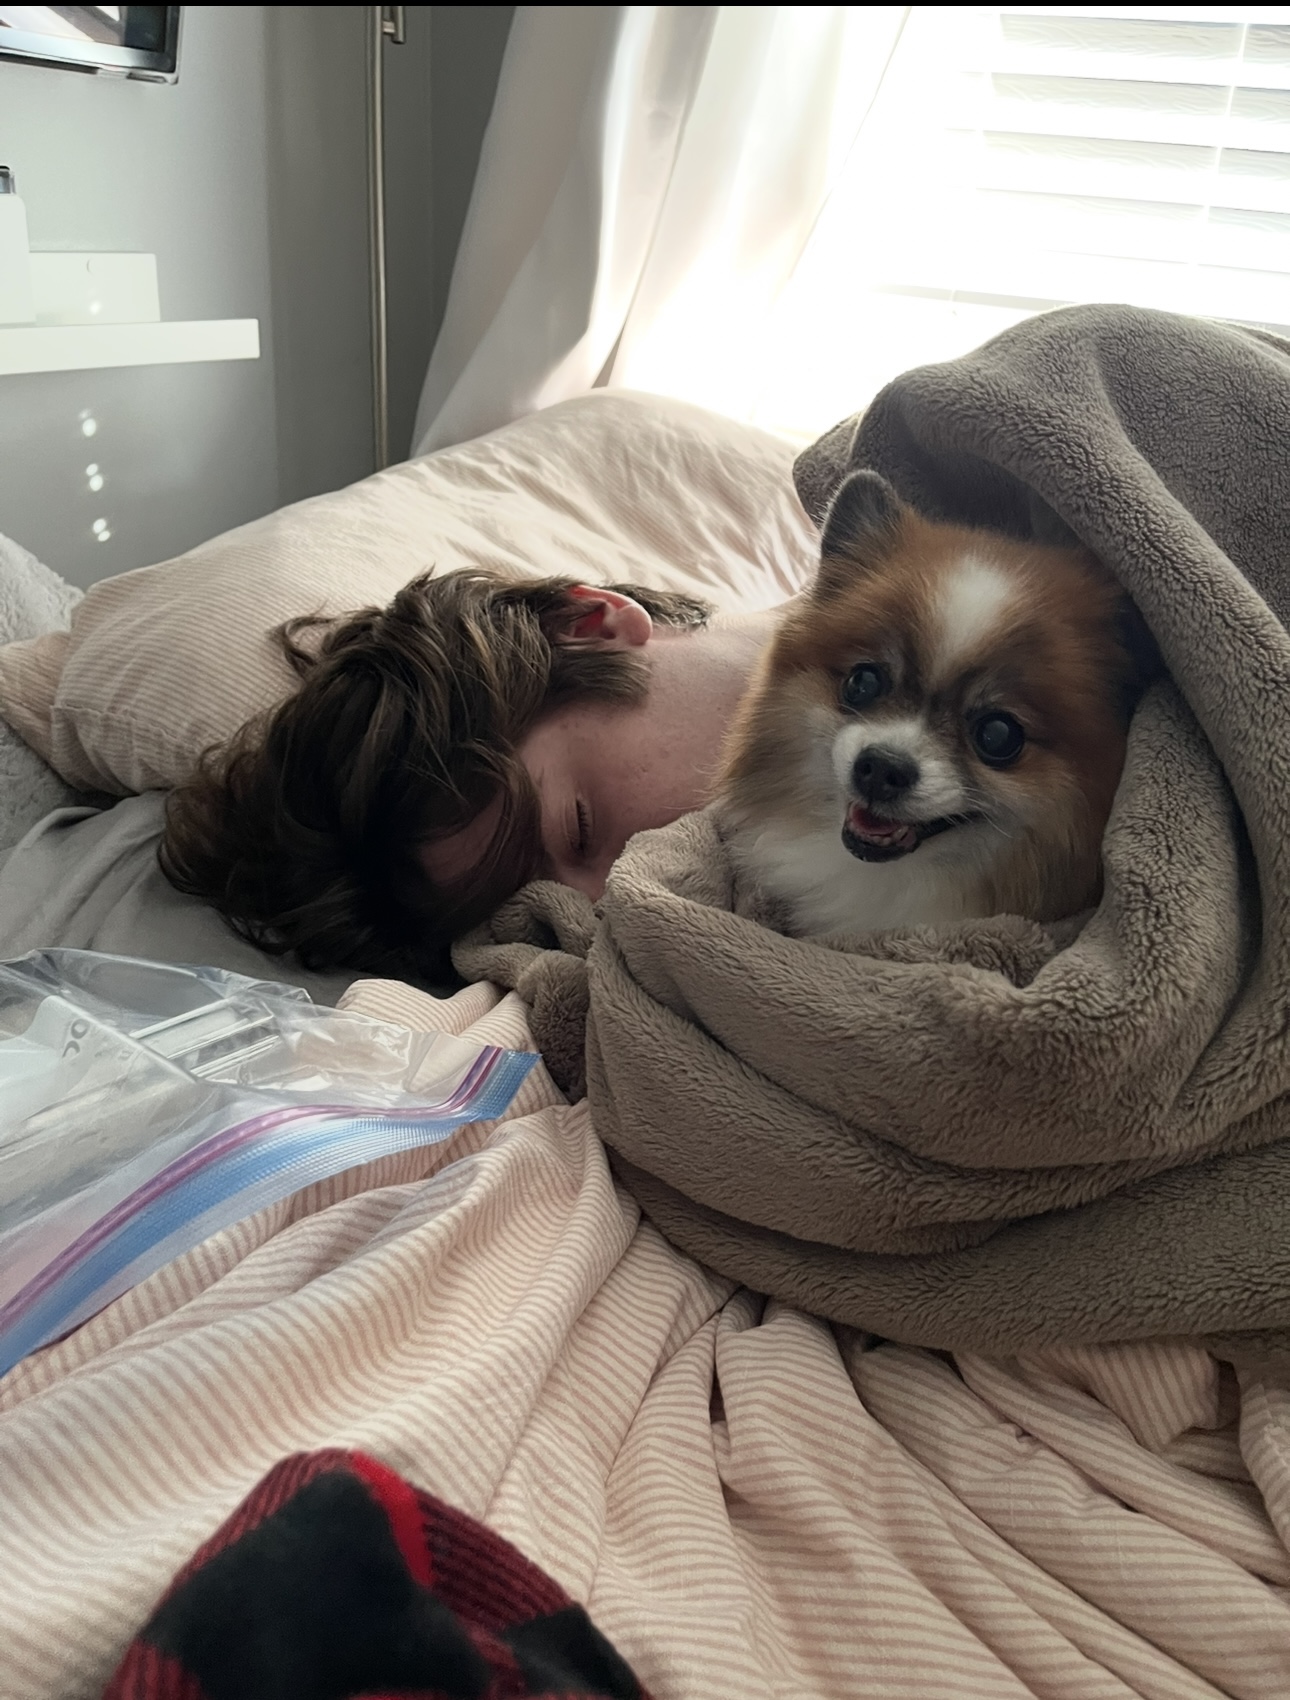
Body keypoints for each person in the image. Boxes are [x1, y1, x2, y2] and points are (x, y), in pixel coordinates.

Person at [160, 567, 791, 983]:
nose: (617, 905)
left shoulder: (855, 472)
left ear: (589, 625)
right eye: (541, 920)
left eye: (579, 828)